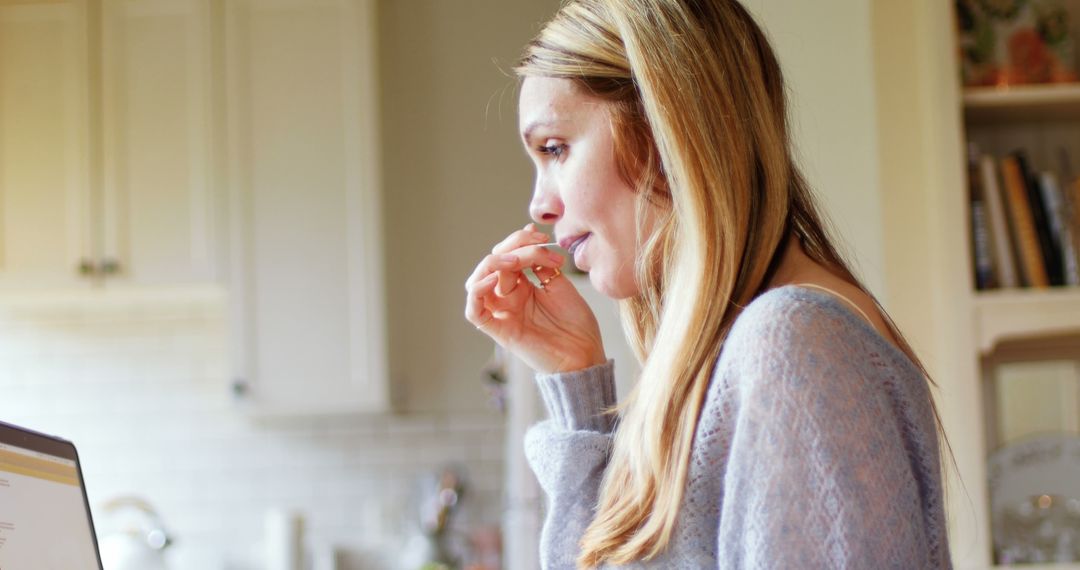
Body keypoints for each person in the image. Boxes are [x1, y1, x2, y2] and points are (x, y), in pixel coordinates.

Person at [463, 0, 952, 567]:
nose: (539, 204)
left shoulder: (796, 344)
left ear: (667, 124)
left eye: (555, 148)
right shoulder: (758, 348)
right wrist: (574, 378)